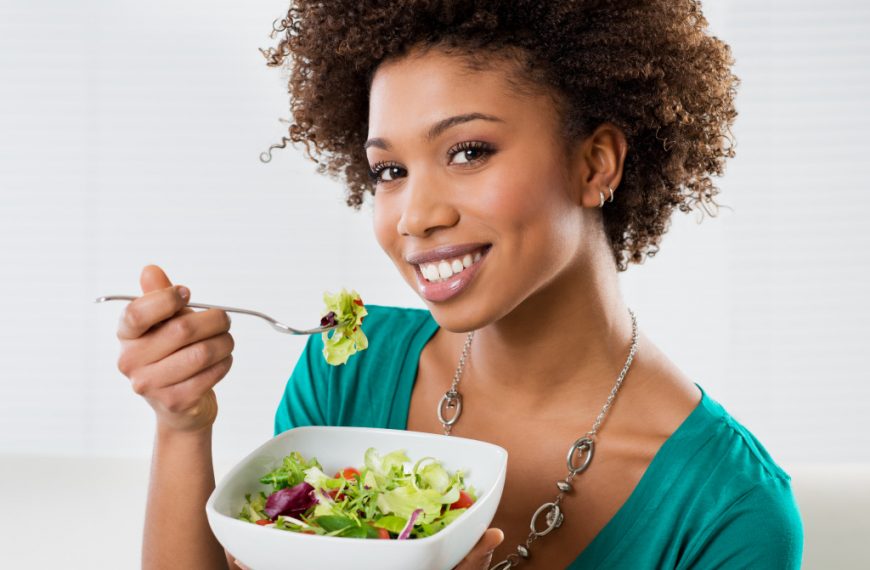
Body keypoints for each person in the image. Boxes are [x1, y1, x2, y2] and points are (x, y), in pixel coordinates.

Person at [115, 1, 804, 568]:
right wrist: (182, 426)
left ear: (595, 164)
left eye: (468, 152)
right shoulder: (347, 371)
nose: (415, 216)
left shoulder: (729, 514)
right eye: (390, 171)